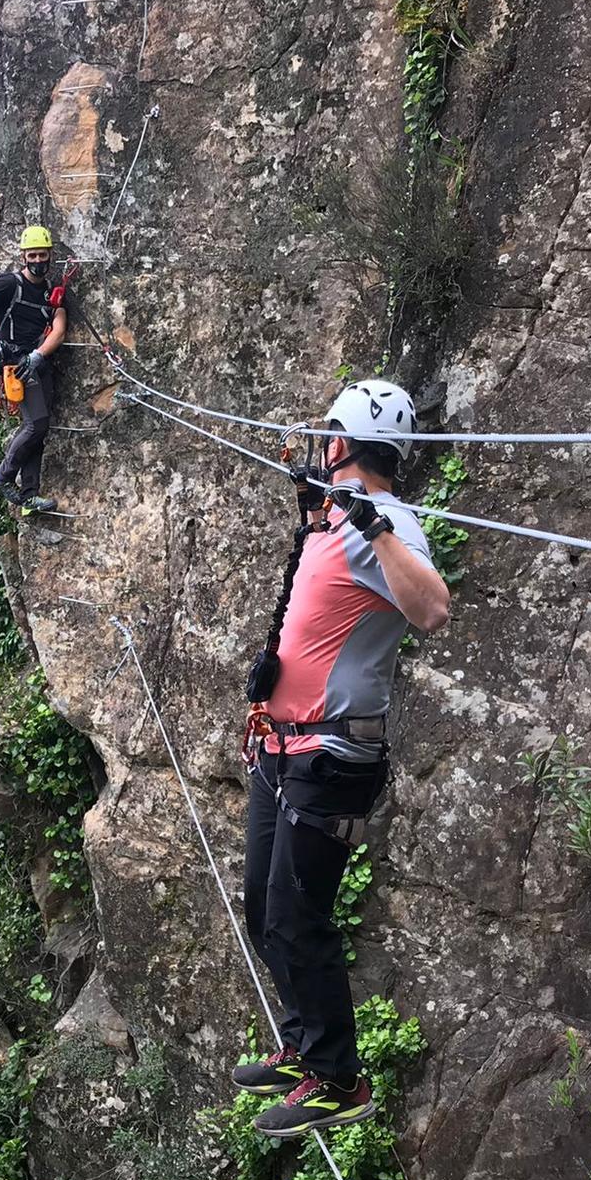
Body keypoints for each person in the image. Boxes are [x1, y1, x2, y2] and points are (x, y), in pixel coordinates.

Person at [232, 380, 451, 1139]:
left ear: (345, 443)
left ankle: (337, 1081)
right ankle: (303, 1046)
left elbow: (431, 607)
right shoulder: (332, 520)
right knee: (264, 907)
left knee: (298, 918)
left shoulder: (381, 520)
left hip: (331, 757)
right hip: (284, 749)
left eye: (329, 436)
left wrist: (373, 525)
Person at [0, 225, 68, 514]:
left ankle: (29, 496)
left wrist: (38, 355)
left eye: (42, 255)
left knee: (38, 427)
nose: (37, 261)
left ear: (49, 256)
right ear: (24, 257)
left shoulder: (51, 293)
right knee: (36, 424)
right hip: (11, 361)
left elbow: (58, 330)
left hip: (34, 359)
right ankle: (3, 476)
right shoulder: (9, 284)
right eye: (32, 255)